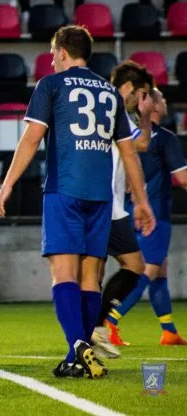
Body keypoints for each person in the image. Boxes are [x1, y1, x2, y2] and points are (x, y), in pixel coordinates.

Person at [0, 25, 156, 379]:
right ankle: (76, 356)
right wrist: (142, 202)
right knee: (88, 279)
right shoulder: (111, 93)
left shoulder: (51, 85)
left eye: (53, 52)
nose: (51, 59)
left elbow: (32, 139)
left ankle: (77, 345)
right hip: (100, 198)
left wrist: (6, 186)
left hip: (65, 191)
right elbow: (129, 155)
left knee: (62, 274)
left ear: (64, 51)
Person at [98, 89, 187, 347]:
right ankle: (110, 321)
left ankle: (168, 330)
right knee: (146, 271)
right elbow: (182, 179)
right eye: (160, 99)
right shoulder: (165, 138)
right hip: (155, 214)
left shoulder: (129, 136)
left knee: (159, 269)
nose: (165, 102)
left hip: (128, 212)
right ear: (152, 106)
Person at [89, 61, 154, 359]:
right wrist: (145, 116)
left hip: (99, 198)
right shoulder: (117, 107)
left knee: (96, 271)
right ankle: (96, 330)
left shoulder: (105, 106)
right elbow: (139, 146)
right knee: (134, 266)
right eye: (140, 94)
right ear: (128, 89)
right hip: (109, 205)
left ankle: (91, 334)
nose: (140, 100)